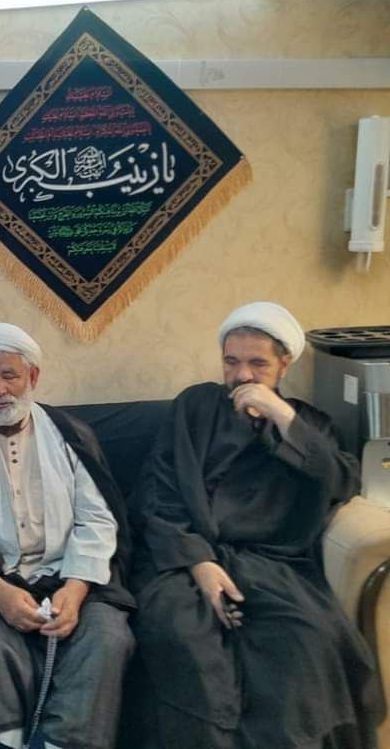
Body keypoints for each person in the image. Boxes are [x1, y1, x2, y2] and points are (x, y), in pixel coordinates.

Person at [132, 301, 384, 749]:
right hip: (182, 561)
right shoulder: (195, 406)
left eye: (257, 364)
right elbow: (159, 492)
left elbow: (342, 481)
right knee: (184, 638)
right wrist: (200, 563)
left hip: (273, 567)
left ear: (284, 364)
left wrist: (283, 418)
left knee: (305, 639)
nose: (242, 375)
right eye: (231, 362)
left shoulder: (309, 424)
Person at [0, 323, 135, 749]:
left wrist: (76, 589)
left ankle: (60, 743)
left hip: (69, 573)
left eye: (9, 375)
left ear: (32, 376)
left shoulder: (71, 433)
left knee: (108, 635)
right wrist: (0, 593)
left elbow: (99, 517)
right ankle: (2, 742)